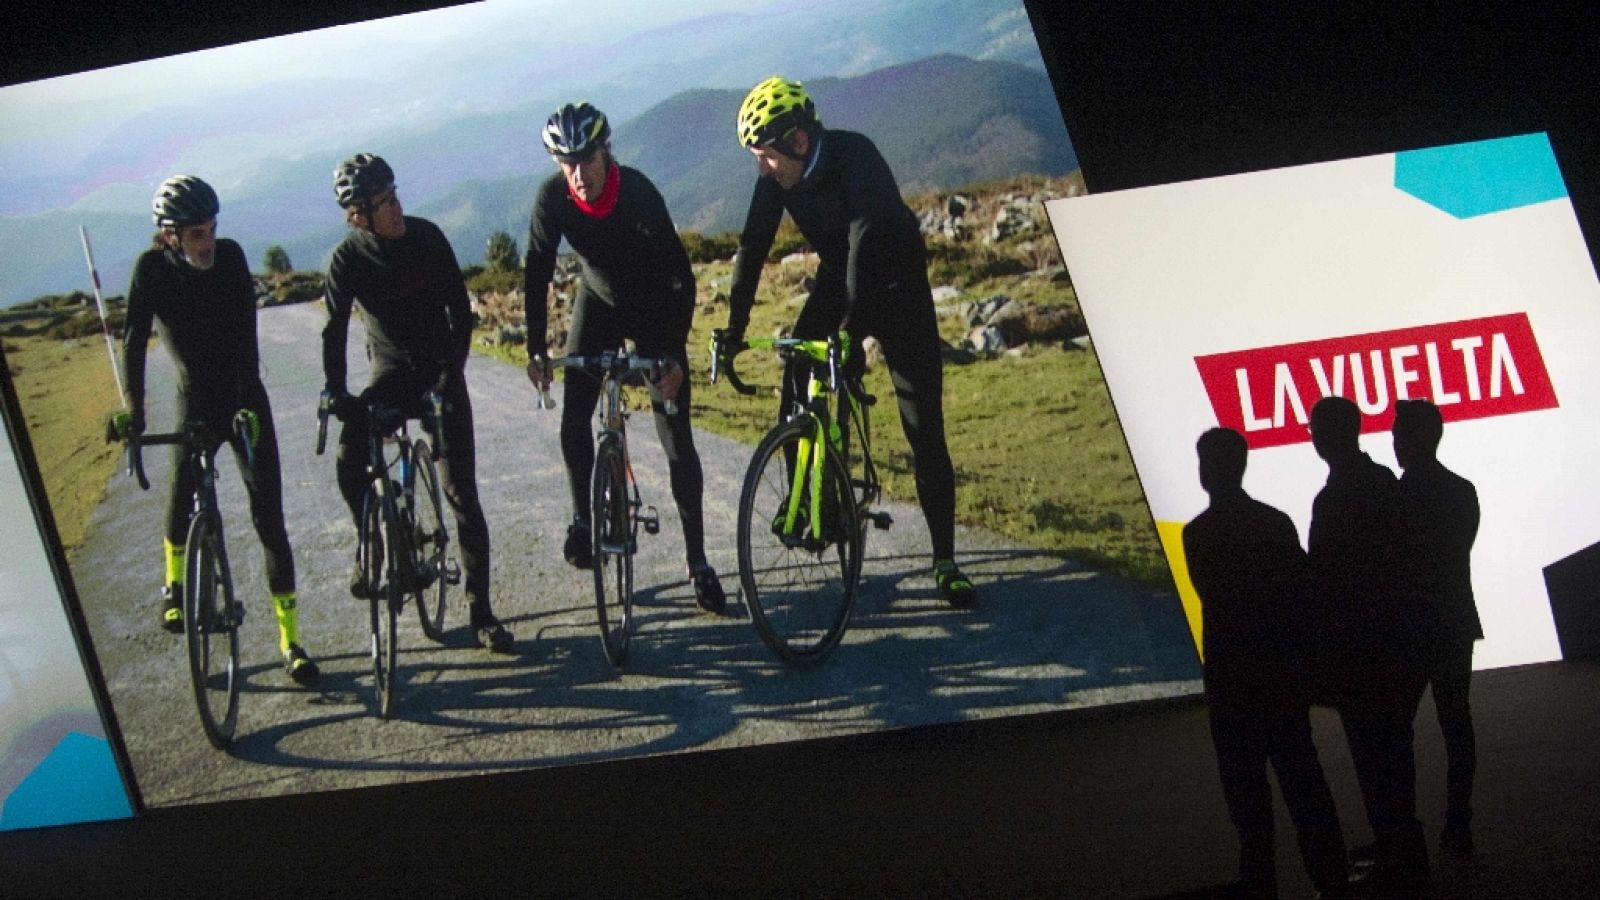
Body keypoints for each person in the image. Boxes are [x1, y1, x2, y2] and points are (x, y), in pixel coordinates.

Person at [721, 76, 974, 608]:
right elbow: (751, 248)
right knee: (798, 361)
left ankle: (946, 561)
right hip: (844, 275)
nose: (760, 167)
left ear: (798, 141)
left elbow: (867, 238)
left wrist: (851, 335)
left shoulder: (855, 154)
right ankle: (810, 502)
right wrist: (735, 329)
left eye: (764, 155)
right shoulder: (775, 180)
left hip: (896, 278)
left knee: (923, 427)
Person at [522, 103, 727, 613]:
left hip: (655, 309)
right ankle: (582, 519)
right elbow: (536, 272)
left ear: (604, 152)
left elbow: (682, 275)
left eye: (586, 158)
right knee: (574, 415)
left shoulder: (637, 192)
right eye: (565, 162)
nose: (577, 172)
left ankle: (698, 561)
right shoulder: (553, 198)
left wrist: (673, 355)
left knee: (676, 440)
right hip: (599, 305)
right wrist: (535, 348)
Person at [121, 175, 319, 684]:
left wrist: (243, 406)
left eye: (210, 229)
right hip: (194, 403)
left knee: (268, 516)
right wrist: (134, 415)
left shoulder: (229, 258)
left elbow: (246, 339)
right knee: (180, 488)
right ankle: (173, 587)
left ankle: (290, 640)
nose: (207, 242)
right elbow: (133, 341)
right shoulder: (150, 271)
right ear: (169, 235)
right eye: (195, 235)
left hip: (242, 398)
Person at [322, 153, 513, 653]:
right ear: (358, 215)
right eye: (383, 203)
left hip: (440, 370)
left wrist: (452, 373)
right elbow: (333, 329)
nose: (396, 208)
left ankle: (482, 613)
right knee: (348, 459)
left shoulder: (427, 238)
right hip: (389, 375)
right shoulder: (346, 260)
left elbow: (461, 313)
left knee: (461, 496)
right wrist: (336, 392)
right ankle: (376, 544)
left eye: (395, 195)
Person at [1183, 427, 1347, 899]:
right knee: (1305, 787)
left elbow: (1214, 597)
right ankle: (1331, 881)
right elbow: (1301, 591)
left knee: (1249, 807)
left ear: (1206, 472)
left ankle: (1262, 887)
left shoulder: (1198, 535)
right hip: (1279, 676)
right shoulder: (1275, 523)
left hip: (1232, 684)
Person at [1305, 396, 1431, 895]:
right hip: (1391, 643)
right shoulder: (1382, 483)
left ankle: (1401, 858)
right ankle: (1402, 849)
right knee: (1391, 754)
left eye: (1316, 428)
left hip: (1359, 652)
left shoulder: (1334, 497)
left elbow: (1323, 579)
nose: (1312, 436)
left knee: (1376, 758)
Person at [1392, 399, 1481, 857]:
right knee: (1456, 724)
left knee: (1393, 731)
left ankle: (1403, 831)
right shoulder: (1461, 490)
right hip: (1452, 621)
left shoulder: (1396, 498)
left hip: (1410, 629)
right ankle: (1458, 824)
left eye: (1397, 432)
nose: (1392, 440)